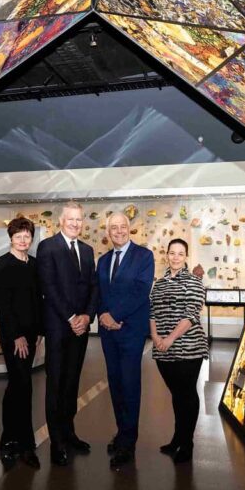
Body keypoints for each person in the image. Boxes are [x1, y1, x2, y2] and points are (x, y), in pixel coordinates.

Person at [37, 201, 98, 466]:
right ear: (61, 221)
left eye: (80, 220)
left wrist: (87, 316)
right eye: (71, 219)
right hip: (58, 327)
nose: (75, 223)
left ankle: (69, 433)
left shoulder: (87, 250)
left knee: (72, 383)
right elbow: (48, 286)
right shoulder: (47, 247)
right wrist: (72, 317)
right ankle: (56, 442)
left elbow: (93, 287)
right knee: (56, 384)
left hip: (80, 329)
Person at [97, 212, 154, 468]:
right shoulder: (103, 260)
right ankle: (121, 432)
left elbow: (141, 291)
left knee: (130, 385)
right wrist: (103, 315)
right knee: (116, 383)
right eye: (113, 228)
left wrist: (115, 316)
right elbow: (98, 292)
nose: (118, 231)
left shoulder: (144, 256)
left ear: (129, 229)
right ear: (108, 232)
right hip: (108, 334)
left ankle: (128, 442)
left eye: (122, 226)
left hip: (130, 331)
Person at [0, 217, 43, 469]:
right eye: (19, 235)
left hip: (31, 335)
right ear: (10, 237)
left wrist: (39, 332)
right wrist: (16, 336)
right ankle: (26, 445)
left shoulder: (33, 264)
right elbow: (3, 307)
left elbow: (37, 301)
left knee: (17, 386)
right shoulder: (2, 265)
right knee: (23, 385)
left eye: (27, 235)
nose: (23, 240)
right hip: (13, 337)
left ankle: (8, 439)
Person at [149, 238, 209, 464]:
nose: (175, 257)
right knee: (176, 395)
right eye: (172, 253)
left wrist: (171, 338)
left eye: (180, 253)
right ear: (167, 254)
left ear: (186, 256)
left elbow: (192, 315)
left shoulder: (193, 282)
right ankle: (177, 438)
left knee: (187, 394)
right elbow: (152, 312)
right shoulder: (159, 283)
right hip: (163, 350)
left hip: (188, 349)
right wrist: (156, 338)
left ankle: (187, 443)